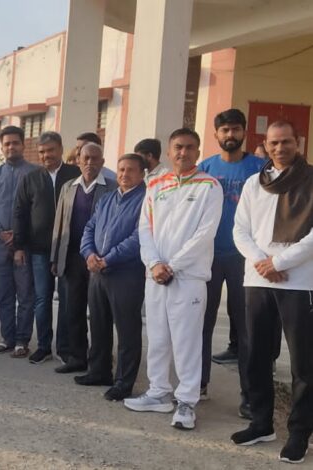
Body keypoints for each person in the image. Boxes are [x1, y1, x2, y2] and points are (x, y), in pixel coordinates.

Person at [125, 128, 222, 431]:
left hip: (188, 277)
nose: (183, 152)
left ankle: (186, 402)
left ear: (198, 152)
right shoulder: (156, 184)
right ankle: (158, 392)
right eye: (178, 147)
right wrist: (154, 263)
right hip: (155, 276)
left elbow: (205, 234)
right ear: (168, 152)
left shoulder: (210, 186)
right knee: (157, 337)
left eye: (190, 147)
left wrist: (173, 265)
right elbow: (144, 229)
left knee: (186, 341)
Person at [231, 121, 313, 464]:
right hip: (258, 279)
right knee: (256, 355)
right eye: (274, 143)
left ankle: (299, 434)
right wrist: (263, 262)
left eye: (287, 142)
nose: (280, 148)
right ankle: (261, 423)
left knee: (303, 363)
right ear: (265, 144)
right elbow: (240, 230)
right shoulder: (255, 183)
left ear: (298, 142)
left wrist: (280, 261)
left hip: (299, 281)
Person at [197, 109, 265, 411]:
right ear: (216, 134)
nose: (230, 135)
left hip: (246, 260)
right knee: (202, 324)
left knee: (247, 329)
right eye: (224, 130)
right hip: (208, 257)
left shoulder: (260, 168)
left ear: (244, 132)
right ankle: (198, 384)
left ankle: (250, 396)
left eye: (235, 129)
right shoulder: (205, 168)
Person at [78, 153, 146, 401]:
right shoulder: (107, 198)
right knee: (98, 324)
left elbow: (139, 237)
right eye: (121, 170)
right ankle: (99, 371)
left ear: (142, 174)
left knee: (127, 330)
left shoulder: (146, 200)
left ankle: (123, 382)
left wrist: (109, 258)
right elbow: (89, 228)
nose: (124, 174)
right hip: (98, 272)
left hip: (126, 273)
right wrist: (89, 254)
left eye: (131, 170)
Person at [12, 131, 80, 364]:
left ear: (60, 149)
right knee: (42, 299)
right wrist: (18, 246)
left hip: (69, 249)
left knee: (67, 299)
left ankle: (64, 347)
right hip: (39, 249)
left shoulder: (75, 175)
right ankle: (43, 346)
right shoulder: (30, 178)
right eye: (41, 152)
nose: (46, 155)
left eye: (50, 150)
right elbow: (19, 213)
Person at [51, 143, 116, 373]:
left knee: (99, 314)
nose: (90, 163)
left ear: (102, 162)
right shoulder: (68, 187)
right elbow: (59, 224)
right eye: (86, 158)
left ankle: (99, 363)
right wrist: (55, 257)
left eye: (95, 159)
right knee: (73, 310)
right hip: (71, 258)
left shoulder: (112, 188)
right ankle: (77, 357)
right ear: (78, 160)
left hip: (98, 260)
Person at [0, 126, 38, 356]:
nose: (11, 147)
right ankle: (8, 338)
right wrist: (0, 232)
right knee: (4, 294)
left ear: (23, 145)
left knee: (25, 295)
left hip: (25, 245)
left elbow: (39, 209)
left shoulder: (35, 173)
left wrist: (20, 236)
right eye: (7, 144)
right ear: (1, 148)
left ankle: (22, 340)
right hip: (0, 243)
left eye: (15, 142)